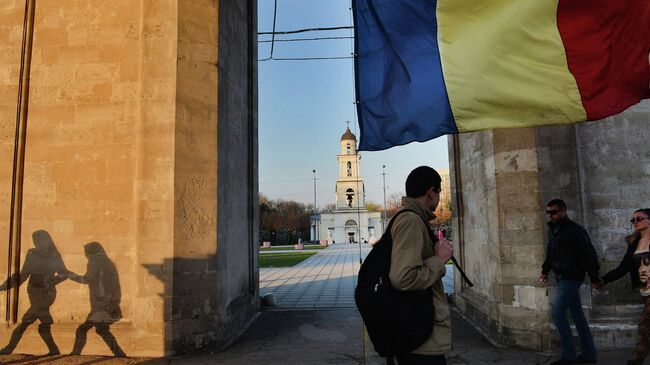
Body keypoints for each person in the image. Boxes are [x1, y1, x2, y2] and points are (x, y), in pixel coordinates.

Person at [389, 166, 453, 365]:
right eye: (439, 192)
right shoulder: (411, 221)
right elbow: (402, 277)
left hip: (417, 332)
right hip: (420, 337)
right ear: (430, 192)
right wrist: (439, 259)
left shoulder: (413, 218)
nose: (439, 198)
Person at [539, 199, 600, 365]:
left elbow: (590, 254)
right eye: (548, 212)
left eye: (554, 212)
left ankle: (569, 356)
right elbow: (551, 252)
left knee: (557, 312)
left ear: (563, 211)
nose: (550, 215)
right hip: (561, 277)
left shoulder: (575, 230)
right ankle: (589, 354)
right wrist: (545, 271)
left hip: (572, 277)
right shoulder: (554, 230)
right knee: (577, 316)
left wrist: (594, 277)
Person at [0, 230, 70, 355]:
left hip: (46, 294)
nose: (36, 242)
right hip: (33, 293)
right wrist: (5, 286)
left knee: (25, 321)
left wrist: (50, 281)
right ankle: (53, 350)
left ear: (46, 240)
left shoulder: (54, 255)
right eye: (34, 240)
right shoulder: (31, 253)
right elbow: (23, 275)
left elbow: (64, 273)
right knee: (43, 326)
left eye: (38, 240)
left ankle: (8, 349)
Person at [598, 208, 650, 365]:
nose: (635, 222)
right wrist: (604, 280)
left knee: (644, 324)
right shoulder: (634, 243)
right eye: (633, 220)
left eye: (639, 218)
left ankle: (636, 359)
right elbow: (623, 267)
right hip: (645, 290)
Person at [69, 242, 126, 357]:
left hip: (101, 303)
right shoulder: (108, 263)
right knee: (101, 329)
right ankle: (119, 354)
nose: (85, 255)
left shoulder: (94, 262)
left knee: (82, 329)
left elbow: (86, 279)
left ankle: (75, 354)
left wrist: (70, 275)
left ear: (91, 252)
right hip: (107, 302)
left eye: (86, 252)